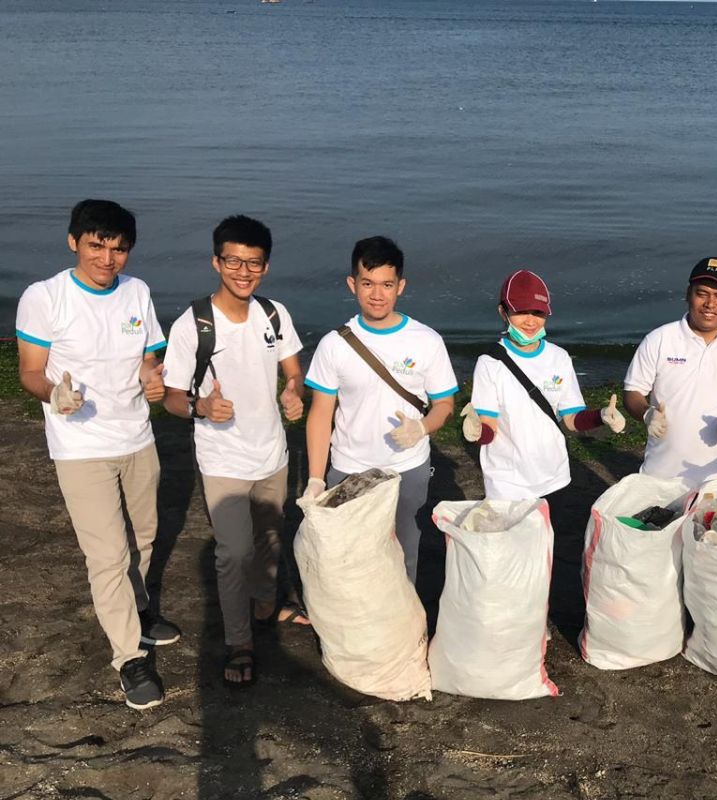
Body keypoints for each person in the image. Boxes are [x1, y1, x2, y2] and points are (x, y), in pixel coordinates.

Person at [15, 199, 178, 710]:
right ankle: (129, 658)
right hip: (80, 446)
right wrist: (54, 397)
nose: (107, 259)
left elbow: (149, 357)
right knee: (108, 555)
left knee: (147, 536)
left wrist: (153, 379)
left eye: (118, 248)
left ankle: (141, 609)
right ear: (74, 242)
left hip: (137, 438)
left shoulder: (138, 292)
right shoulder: (45, 297)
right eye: (97, 245)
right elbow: (30, 372)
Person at [161, 215, 307, 688]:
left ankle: (265, 601)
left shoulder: (274, 314)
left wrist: (292, 390)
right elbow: (171, 398)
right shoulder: (194, 324)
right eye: (233, 261)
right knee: (233, 552)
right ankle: (239, 642)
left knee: (269, 537)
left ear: (265, 266)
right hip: (223, 458)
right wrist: (201, 407)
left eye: (254, 263)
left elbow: (292, 369)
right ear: (216, 262)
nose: (243, 272)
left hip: (273, 453)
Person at [304, 236, 458, 583]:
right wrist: (316, 478)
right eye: (368, 283)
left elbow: (445, 405)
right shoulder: (334, 345)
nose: (377, 294)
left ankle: (402, 630)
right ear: (352, 284)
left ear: (400, 286)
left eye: (387, 284)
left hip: (407, 468)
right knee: (347, 556)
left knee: (404, 549)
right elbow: (320, 414)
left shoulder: (426, 340)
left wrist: (421, 427)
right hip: (348, 468)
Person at [460, 269, 626, 506]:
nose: (530, 321)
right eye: (521, 311)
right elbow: (489, 427)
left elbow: (571, 418)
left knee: (546, 540)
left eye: (538, 312)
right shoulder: (490, 363)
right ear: (503, 312)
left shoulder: (559, 357)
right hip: (506, 480)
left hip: (554, 475)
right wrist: (477, 432)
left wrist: (601, 416)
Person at [623, 257, 717, 487]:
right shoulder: (660, 339)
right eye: (702, 293)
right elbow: (633, 391)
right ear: (688, 294)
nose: (710, 304)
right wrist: (646, 413)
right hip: (658, 477)